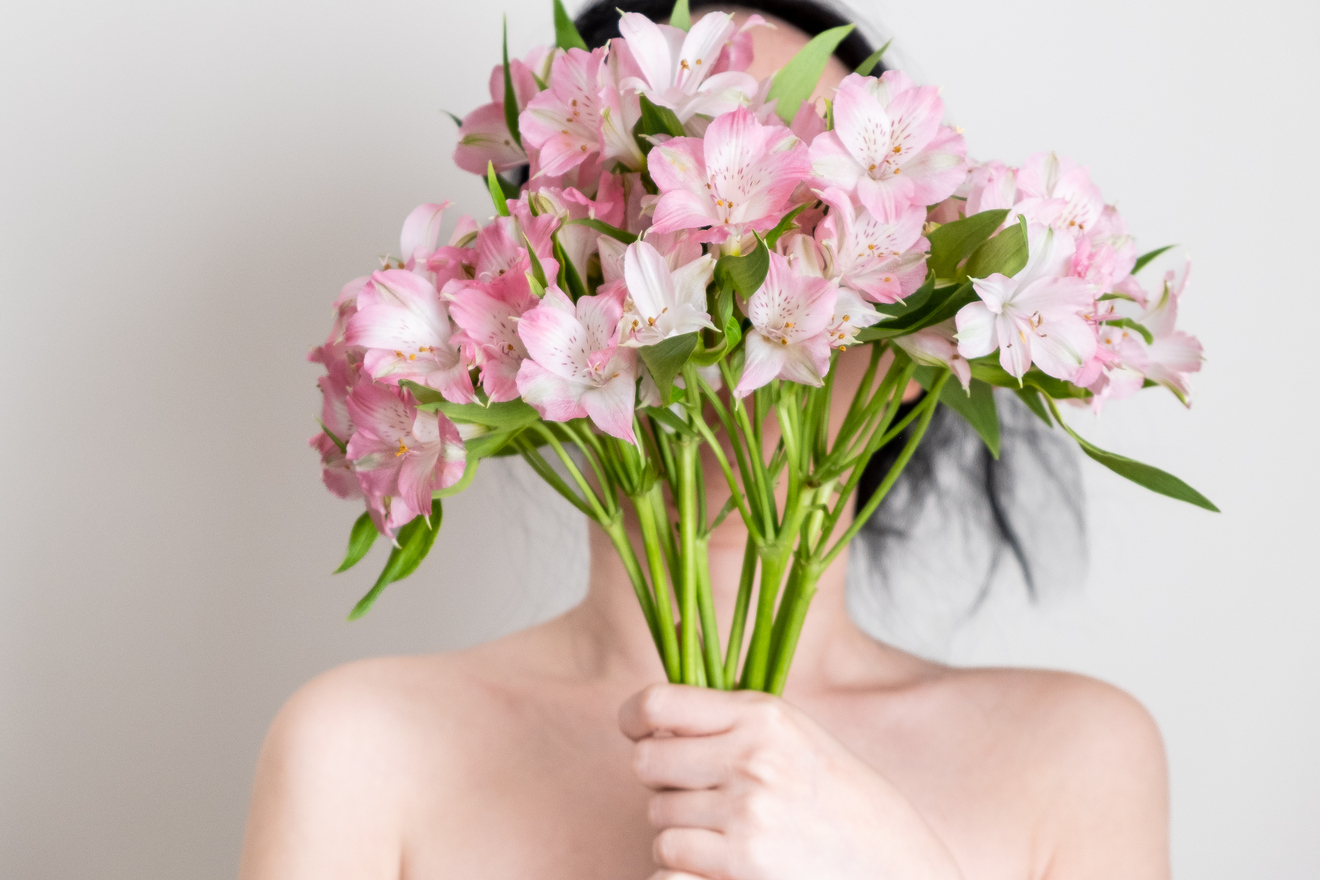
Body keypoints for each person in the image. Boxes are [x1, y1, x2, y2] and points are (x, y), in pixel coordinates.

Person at [237, 3, 1170, 878]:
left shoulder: (1076, 760)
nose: (735, 287)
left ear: (937, 316)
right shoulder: (360, 753)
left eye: (813, 214)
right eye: (655, 210)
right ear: (526, 295)